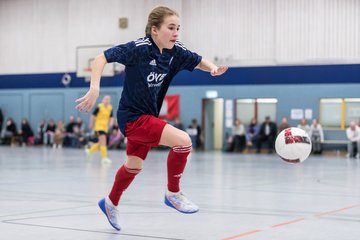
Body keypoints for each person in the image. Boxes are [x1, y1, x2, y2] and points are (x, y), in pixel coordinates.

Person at [75, 6, 228, 231]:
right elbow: (100, 58)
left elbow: (197, 60)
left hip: (147, 116)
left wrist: (213, 68)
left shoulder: (176, 51)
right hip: (132, 118)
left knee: (133, 166)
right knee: (184, 141)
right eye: (171, 28)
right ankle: (173, 193)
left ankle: (110, 203)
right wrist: (95, 89)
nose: (176, 33)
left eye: (178, 28)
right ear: (155, 30)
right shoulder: (138, 49)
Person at [85, 95, 114, 163]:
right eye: (105, 99)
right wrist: (91, 124)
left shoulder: (110, 107)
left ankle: (90, 151)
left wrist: (111, 123)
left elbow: (111, 117)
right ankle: (104, 158)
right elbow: (93, 115)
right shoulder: (99, 107)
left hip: (105, 127)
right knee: (103, 141)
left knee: (101, 142)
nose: (107, 101)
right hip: (98, 126)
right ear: (103, 100)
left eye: (108, 100)